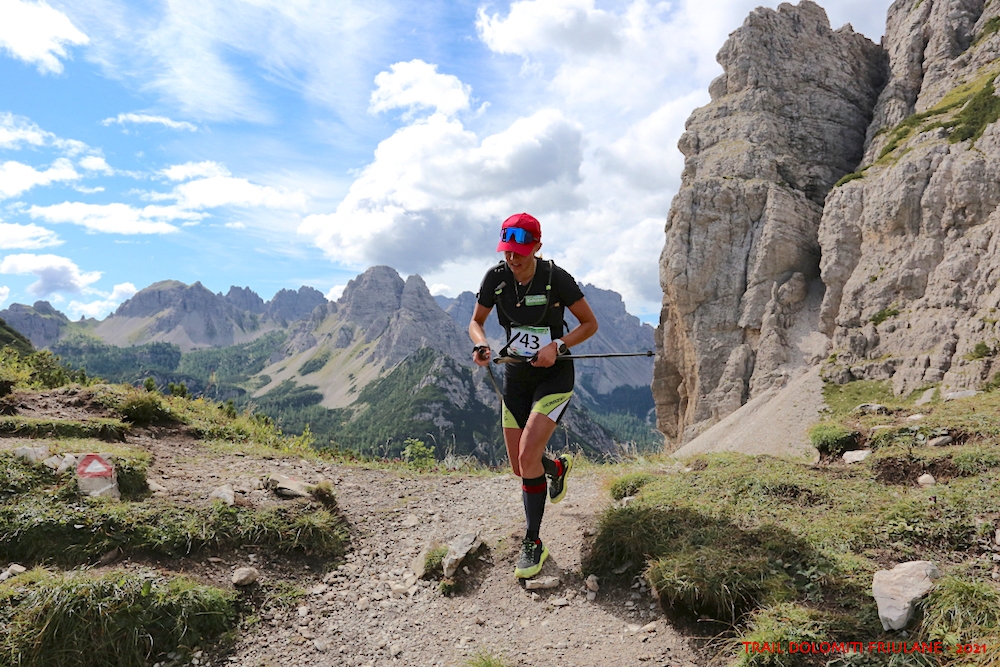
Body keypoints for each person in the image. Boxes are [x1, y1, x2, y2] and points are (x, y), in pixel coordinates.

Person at [469, 212, 598, 579]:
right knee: (520, 466)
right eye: (507, 251)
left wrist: (558, 345)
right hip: (516, 376)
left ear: (537, 247)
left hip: (554, 375)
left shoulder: (557, 278)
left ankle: (533, 542)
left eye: (520, 252)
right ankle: (555, 468)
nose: (513, 258)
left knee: (528, 456)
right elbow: (476, 322)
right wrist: (481, 345)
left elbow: (590, 324)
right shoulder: (495, 278)